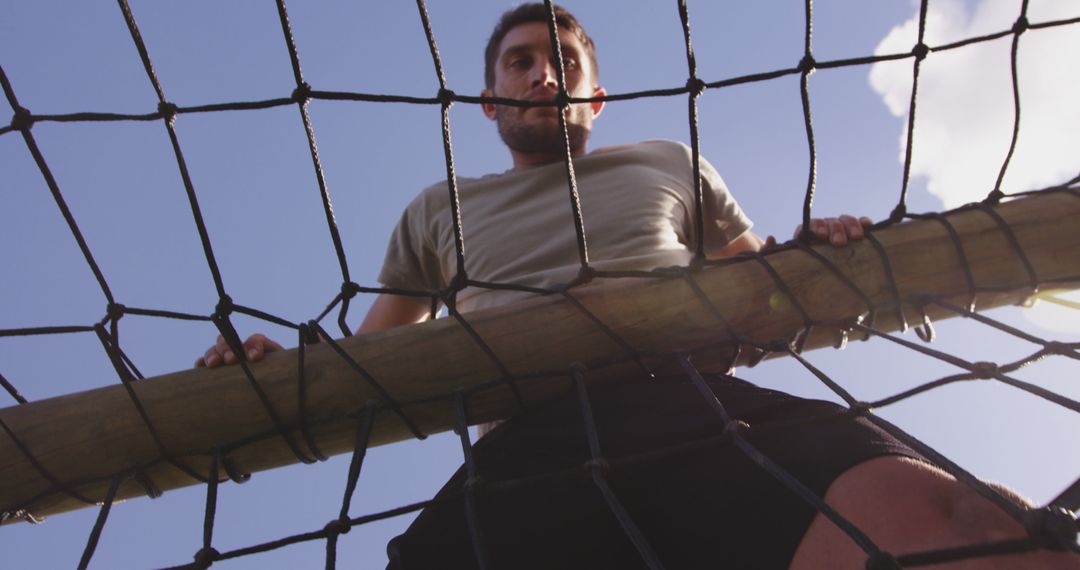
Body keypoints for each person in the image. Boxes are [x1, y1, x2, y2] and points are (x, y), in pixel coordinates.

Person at [198, 4, 1078, 569]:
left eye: (562, 61)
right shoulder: (440, 208)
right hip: (527, 447)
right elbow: (379, 349)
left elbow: (754, 277)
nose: (543, 73)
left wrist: (819, 249)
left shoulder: (666, 162)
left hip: (692, 402)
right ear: (489, 100)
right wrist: (285, 364)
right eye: (519, 61)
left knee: (971, 530)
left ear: (597, 95)